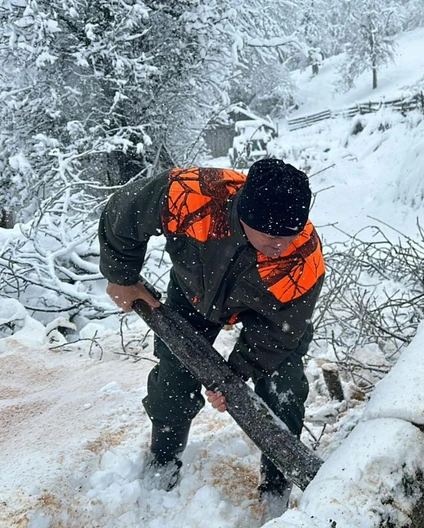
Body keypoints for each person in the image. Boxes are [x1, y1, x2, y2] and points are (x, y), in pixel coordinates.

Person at [99, 158, 324, 516]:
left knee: (284, 388)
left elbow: (278, 334)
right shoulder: (195, 196)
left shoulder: (302, 259)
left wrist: (233, 377)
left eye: (290, 236)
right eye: (270, 236)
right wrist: (121, 275)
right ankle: (164, 457)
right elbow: (125, 212)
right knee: (174, 379)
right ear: (245, 216)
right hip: (194, 292)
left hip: (268, 315)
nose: (281, 245)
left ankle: (278, 483)